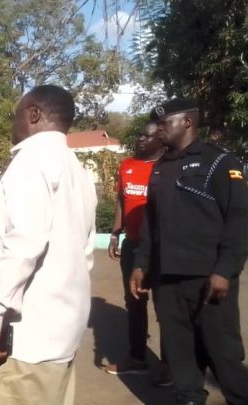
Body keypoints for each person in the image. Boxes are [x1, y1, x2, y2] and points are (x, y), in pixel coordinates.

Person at [0, 85, 97, 404]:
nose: (13, 125)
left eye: (16, 116)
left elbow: (21, 249)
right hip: (61, 332)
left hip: (25, 341)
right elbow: (86, 254)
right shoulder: (76, 170)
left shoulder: (30, 163)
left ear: (34, 114)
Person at [130, 99, 248, 405]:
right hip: (167, 280)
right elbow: (152, 223)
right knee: (181, 356)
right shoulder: (160, 167)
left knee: (224, 356)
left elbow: (239, 221)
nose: (159, 129)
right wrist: (141, 264)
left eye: (165, 124)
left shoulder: (218, 162)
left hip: (208, 278)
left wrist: (225, 270)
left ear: (187, 122)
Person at [105, 121, 171, 384]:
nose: (141, 140)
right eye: (140, 135)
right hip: (133, 245)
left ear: (161, 140)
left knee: (166, 306)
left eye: (148, 136)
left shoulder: (168, 167)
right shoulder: (127, 166)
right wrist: (114, 232)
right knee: (134, 302)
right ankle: (137, 359)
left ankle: (169, 364)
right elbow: (122, 200)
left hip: (161, 248)